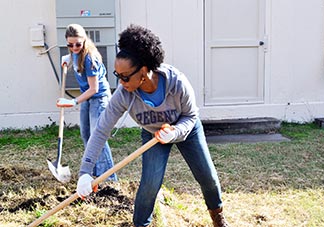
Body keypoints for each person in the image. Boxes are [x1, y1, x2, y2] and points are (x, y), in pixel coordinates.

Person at [76, 24, 229, 227]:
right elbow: (101, 130)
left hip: (185, 130)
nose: (121, 82)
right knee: (149, 184)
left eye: (125, 76)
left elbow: (191, 116)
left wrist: (175, 132)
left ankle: (218, 217)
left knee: (207, 176)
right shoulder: (124, 95)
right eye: (117, 75)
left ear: (144, 71)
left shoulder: (177, 83)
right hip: (153, 135)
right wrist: (85, 172)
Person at [56, 23, 117, 181]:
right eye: (70, 44)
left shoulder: (90, 58)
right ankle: (96, 175)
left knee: (97, 138)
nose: (74, 47)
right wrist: (68, 58)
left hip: (99, 98)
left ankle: (110, 179)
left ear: (84, 41)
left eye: (78, 44)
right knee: (86, 135)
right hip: (87, 97)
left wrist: (72, 102)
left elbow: (94, 89)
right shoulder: (74, 53)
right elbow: (73, 55)